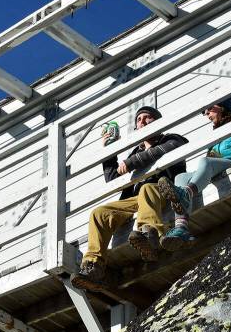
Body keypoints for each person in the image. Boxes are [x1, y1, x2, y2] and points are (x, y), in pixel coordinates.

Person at [71, 105, 188, 291]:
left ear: (157, 122)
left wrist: (130, 163)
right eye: (139, 120)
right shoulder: (135, 151)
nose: (142, 121)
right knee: (99, 213)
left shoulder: (171, 139)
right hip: (137, 200)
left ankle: (149, 235)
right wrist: (110, 151)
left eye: (147, 117)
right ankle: (94, 266)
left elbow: (164, 150)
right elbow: (112, 178)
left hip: (164, 190)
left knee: (147, 189)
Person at [156, 99, 231, 250]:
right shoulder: (214, 138)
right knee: (180, 177)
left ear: (222, 106)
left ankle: (186, 194)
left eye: (208, 109)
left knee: (205, 161)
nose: (206, 114)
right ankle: (181, 227)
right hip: (214, 170)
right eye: (204, 111)